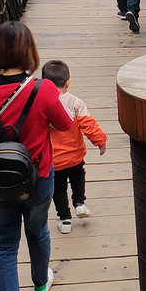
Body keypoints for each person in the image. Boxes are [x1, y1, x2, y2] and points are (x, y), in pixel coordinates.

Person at [0, 22, 73, 291]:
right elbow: (65, 125)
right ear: (30, 52)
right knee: (37, 230)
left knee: (4, 243)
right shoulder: (43, 90)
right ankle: (41, 283)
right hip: (38, 175)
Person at [41, 59, 107, 234]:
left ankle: (65, 219)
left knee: (59, 189)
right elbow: (88, 125)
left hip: (54, 160)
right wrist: (100, 141)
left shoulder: (42, 105)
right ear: (68, 82)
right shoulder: (76, 103)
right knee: (78, 177)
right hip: (75, 155)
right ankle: (79, 203)